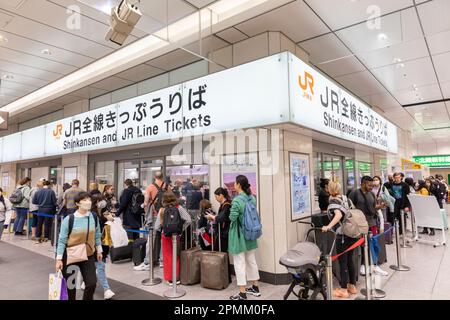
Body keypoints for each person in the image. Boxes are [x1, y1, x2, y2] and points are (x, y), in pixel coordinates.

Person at [55, 192, 103, 301]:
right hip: (71, 256)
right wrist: (59, 259)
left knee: (91, 284)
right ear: (77, 203)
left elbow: (97, 234)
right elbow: (62, 240)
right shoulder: (69, 219)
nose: (88, 202)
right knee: (70, 286)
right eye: (84, 200)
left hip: (88, 254)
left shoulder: (93, 217)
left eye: (89, 199)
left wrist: (99, 251)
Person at [321, 181, 356, 298]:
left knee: (343, 262)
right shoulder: (346, 199)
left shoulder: (333, 200)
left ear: (329, 189)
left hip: (342, 235)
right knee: (350, 259)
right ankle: (352, 286)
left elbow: (338, 215)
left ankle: (343, 289)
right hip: (352, 233)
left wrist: (328, 226)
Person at [229, 175, 261, 301]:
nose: (234, 185)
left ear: (238, 185)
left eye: (235, 183)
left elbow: (232, 218)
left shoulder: (237, 201)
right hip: (251, 234)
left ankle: (242, 293)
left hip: (239, 236)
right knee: (251, 260)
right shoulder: (252, 198)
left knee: (239, 263)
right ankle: (255, 287)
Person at [349, 176, 388, 277]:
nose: (372, 186)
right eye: (370, 185)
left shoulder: (372, 194)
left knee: (373, 244)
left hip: (372, 223)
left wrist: (381, 206)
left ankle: (375, 265)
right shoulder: (354, 193)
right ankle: (363, 264)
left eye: (373, 185)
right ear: (363, 184)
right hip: (360, 225)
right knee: (363, 245)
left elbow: (374, 207)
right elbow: (349, 208)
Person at [156, 192, 191, 285]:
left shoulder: (162, 210)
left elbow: (156, 226)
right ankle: (177, 277)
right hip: (176, 235)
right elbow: (189, 220)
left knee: (167, 257)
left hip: (165, 236)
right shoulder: (179, 208)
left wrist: (163, 228)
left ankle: (170, 279)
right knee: (176, 256)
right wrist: (181, 229)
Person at [91, 193, 115, 300]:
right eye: (100, 200)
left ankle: (84, 281)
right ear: (95, 202)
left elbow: (109, 219)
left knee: (100, 265)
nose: (102, 202)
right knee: (100, 266)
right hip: (95, 244)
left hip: (104, 243)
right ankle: (107, 289)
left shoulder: (104, 211)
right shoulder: (92, 214)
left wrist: (110, 217)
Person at [205, 187, 232, 283]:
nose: (216, 198)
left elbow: (221, 218)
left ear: (221, 195)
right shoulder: (224, 205)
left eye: (216, 196)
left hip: (224, 233)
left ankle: (224, 277)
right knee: (222, 254)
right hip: (222, 233)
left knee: (222, 254)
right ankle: (223, 276)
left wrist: (212, 217)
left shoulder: (227, 205)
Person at [144, 171, 171, 266]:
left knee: (151, 238)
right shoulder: (167, 187)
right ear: (162, 177)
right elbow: (171, 200)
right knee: (163, 238)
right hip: (165, 215)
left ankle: (147, 261)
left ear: (154, 177)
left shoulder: (150, 187)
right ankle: (162, 261)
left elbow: (146, 203)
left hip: (155, 216)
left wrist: (145, 209)